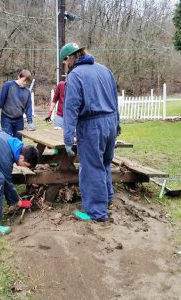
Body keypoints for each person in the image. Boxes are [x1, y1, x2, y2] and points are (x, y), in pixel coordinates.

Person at [60, 42, 121, 222]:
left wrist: (68, 138)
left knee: (91, 168)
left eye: (64, 62)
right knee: (105, 163)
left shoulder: (75, 75)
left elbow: (70, 109)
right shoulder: (104, 70)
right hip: (110, 122)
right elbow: (114, 100)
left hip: (92, 126)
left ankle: (96, 212)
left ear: (69, 58)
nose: (65, 65)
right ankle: (107, 200)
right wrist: (117, 125)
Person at [0, 69, 36, 140]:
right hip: (6, 119)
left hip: (19, 120)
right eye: (24, 80)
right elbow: (0, 99)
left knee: (18, 142)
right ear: (19, 77)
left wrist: (30, 122)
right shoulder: (8, 85)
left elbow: (28, 108)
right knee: (7, 140)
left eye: (27, 81)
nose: (25, 83)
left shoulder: (27, 92)